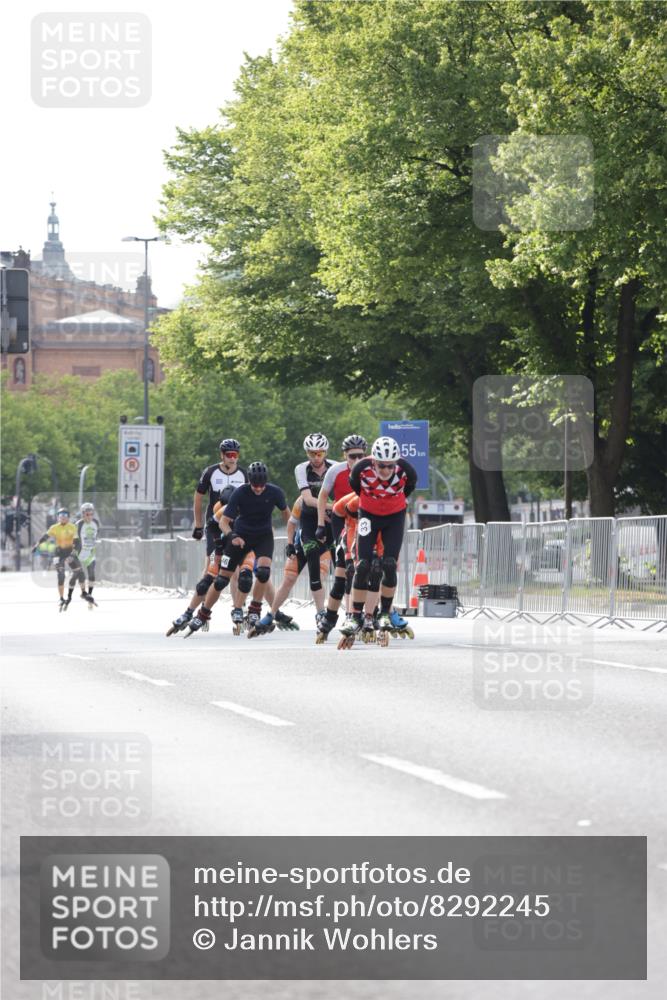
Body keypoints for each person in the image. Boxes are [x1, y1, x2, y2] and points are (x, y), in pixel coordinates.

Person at [186, 462, 290, 636]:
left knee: (263, 573)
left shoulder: (275, 492)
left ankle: (254, 611)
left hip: (263, 537)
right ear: (249, 482)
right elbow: (223, 522)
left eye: (261, 485)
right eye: (255, 486)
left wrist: (291, 536)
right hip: (240, 537)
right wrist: (232, 536)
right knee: (221, 580)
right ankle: (203, 613)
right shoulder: (240, 492)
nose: (258, 489)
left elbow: (286, 513)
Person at [338, 437, 417, 646]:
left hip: (394, 516)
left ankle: (384, 613)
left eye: (390, 466)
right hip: (368, 516)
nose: (386, 470)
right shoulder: (362, 469)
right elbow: (355, 486)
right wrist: (373, 500)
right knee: (362, 565)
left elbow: (410, 486)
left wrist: (390, 500)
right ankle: (355, 616)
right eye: (381, 465)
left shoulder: (405, 470)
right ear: (374, 462)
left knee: (389, 564)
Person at [293, 433, 334, 620]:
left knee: (343, 564)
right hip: (310, 520)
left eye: (320, 453)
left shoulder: (334, 467)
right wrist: (332, 506)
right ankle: (320, 612)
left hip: (333, 520)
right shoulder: (301, 469)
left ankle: (353, 611)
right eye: (312, 454)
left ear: (325, 452)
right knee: (312, 560)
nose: (316, 458)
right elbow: (308, 499)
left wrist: (334, 510)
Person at [192, 439, 247, 557]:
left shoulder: (244, 474)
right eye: (229, 455)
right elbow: (198, 498)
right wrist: (198, 525)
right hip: (214, 523)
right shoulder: (210, 472)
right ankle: (207, 575)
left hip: (234, 524)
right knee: (213, 560)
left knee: (233, 562)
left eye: (235, 455)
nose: (232, 458)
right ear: (222, 455)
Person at [32, 508, 94, 610]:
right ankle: (61, 598)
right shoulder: (54, 527)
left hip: (70, 551)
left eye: (65, 515)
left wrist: (73, 555)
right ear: (58, 517)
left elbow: (77, 543)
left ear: (68, 517)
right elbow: (45, 537)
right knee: (61, 575)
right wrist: (37, 545)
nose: (63, 517)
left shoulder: (72, 527)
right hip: (59, 553)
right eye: (61, 515)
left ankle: (83, 592)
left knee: (80, 572)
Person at [75, 502, 100, 607]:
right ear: (82, 514)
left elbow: (95, 536)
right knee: (81, 575)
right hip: (79, 553)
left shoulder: (96, 523)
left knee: (91, 574)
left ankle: (89, 596)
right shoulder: (79, 524)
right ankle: (83, 592)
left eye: (91, 514)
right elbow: (74, 539)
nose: (89, 516)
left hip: (90, 552)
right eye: (87, 514)